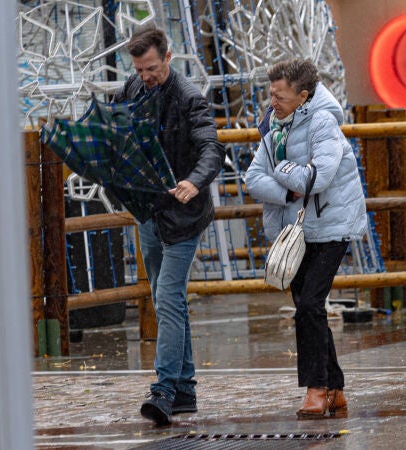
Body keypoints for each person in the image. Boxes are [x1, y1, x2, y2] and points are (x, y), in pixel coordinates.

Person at [113, 25, 224, 426]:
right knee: (167, 300)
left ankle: (162, 389)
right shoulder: (130, 89)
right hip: (149, 210)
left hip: (184, 212)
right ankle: (185, 391)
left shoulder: (190, 97)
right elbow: (115, 133)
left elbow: (211, 148)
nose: (146, 76)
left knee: (168, 295)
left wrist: (194, 182)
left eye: (152, 68)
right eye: (140, 69)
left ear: (169, 58)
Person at [245, 58, 368, 419]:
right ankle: (336, 387)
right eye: (270, 95)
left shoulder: (323, 122)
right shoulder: (272, 125)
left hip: (331, 225)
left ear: (303, 95)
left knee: (310, 305)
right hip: (294, 228)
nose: (272, 102)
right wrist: (285, 192)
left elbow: (316, 180)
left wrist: (280, 167)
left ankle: (315, 389)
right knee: (307, 308)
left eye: (279, 96)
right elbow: (253, 178)